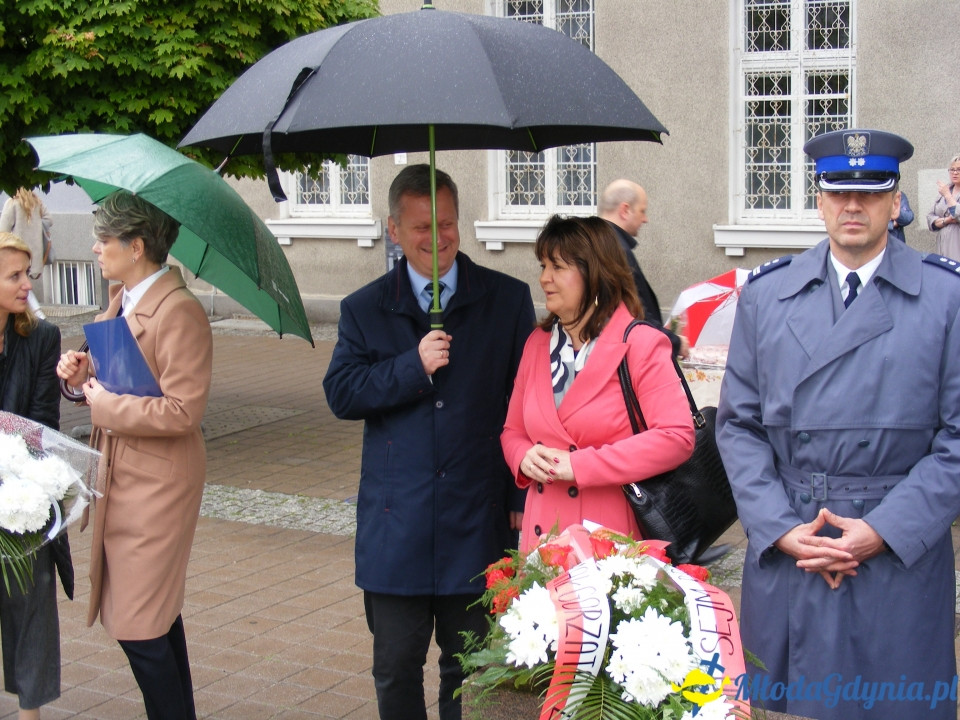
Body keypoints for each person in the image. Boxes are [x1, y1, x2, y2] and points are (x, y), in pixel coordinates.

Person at [717, 129, 960, 720]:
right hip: (793, 550)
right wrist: (778, 527)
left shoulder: (946, 297)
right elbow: (739, 426)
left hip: (894, 554)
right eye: (839, 192)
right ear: (820, 199)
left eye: (871, 192)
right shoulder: (766, 296)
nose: (854, 205)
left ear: (895, 200)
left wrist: (882, 530)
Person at [322, 164, 535, 720]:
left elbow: (528, 404)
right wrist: (410, 367)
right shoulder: (364, 308)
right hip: (398, 526)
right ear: (394, 230)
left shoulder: (506, 300)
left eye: (446, 223)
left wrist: (520, 495)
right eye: (421, 226)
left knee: (473, 673)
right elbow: (341, 393)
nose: (436, 238)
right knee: (396, 670)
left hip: (477, 520)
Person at [55, 191, 212, 720]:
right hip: (124, 473)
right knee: (155, 617)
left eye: (104, 240)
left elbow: (183, 410)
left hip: (159, 485)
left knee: (139, 624)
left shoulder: (180, 311)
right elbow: (120, 381)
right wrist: (82, 378)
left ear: (137, 245)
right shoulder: (122, 298)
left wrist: (103, 404)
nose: (95, 249)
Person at [500, 216, 694, 552]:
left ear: (594, 273)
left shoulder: (641, 344)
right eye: (543, 266)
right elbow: (512, 431)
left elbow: (676, 437)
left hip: (608, 544)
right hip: (542, 541)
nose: (544, 278)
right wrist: (522, 456)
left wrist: (579, 465)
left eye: (557, 267)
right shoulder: (537, 343)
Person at [0, 232, 71, 720]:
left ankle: (31, 713)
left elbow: (43, 424)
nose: (27, 284)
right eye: (14, 276)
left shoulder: (42, 337)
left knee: (32, 603)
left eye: (27, 273)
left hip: (23, 490)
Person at [597, 179, 687, 358]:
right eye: (642, 211)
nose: (645, 219)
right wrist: (674, 342)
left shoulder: (598, 242)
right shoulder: (615, 249)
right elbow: (635, 314)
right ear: (625, 210)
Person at [0, 189, 52, 318]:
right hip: (34, 252)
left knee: (21, 283)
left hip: (17, 251)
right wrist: (36, 224)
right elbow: (49, 220)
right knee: (25, 282)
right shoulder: (37, 202)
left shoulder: (12, 203)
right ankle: (36, 313)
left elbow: (3, 230)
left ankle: (37, 314)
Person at [927, 155, 960, 259]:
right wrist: (947, 220)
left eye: (959, 169)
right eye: (952, 170)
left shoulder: (945, 192)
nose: (955, 173)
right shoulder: (946, 190)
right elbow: (930, 217)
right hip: (942, 245)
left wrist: (948, 196)